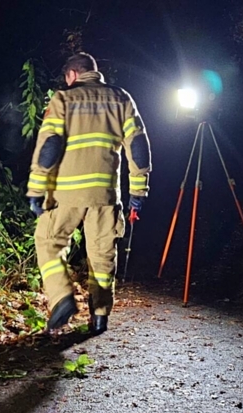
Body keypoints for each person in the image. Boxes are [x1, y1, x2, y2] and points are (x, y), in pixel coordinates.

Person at [25, 52, 152, 335]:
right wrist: (138, 191)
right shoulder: (121, 98)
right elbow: (138, 145)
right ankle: (100, 316)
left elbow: (49, 147)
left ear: (72, 74)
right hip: (105, 195)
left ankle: (62, 298)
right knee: (102, 255)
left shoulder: (63, 99)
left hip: (66, 194)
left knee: (49, 242)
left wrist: (36, 189)